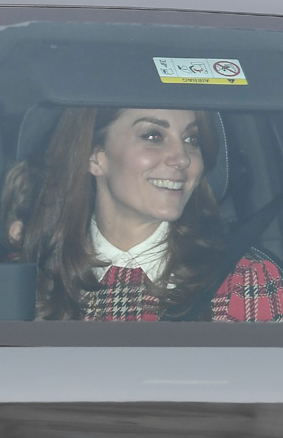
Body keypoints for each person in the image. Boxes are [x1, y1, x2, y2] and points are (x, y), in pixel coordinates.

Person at [21, 107, 283, 321]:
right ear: (95, 156)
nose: (182, 159)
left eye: (192, 140)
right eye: (153, 136)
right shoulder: (33, 279)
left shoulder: (245, 280)